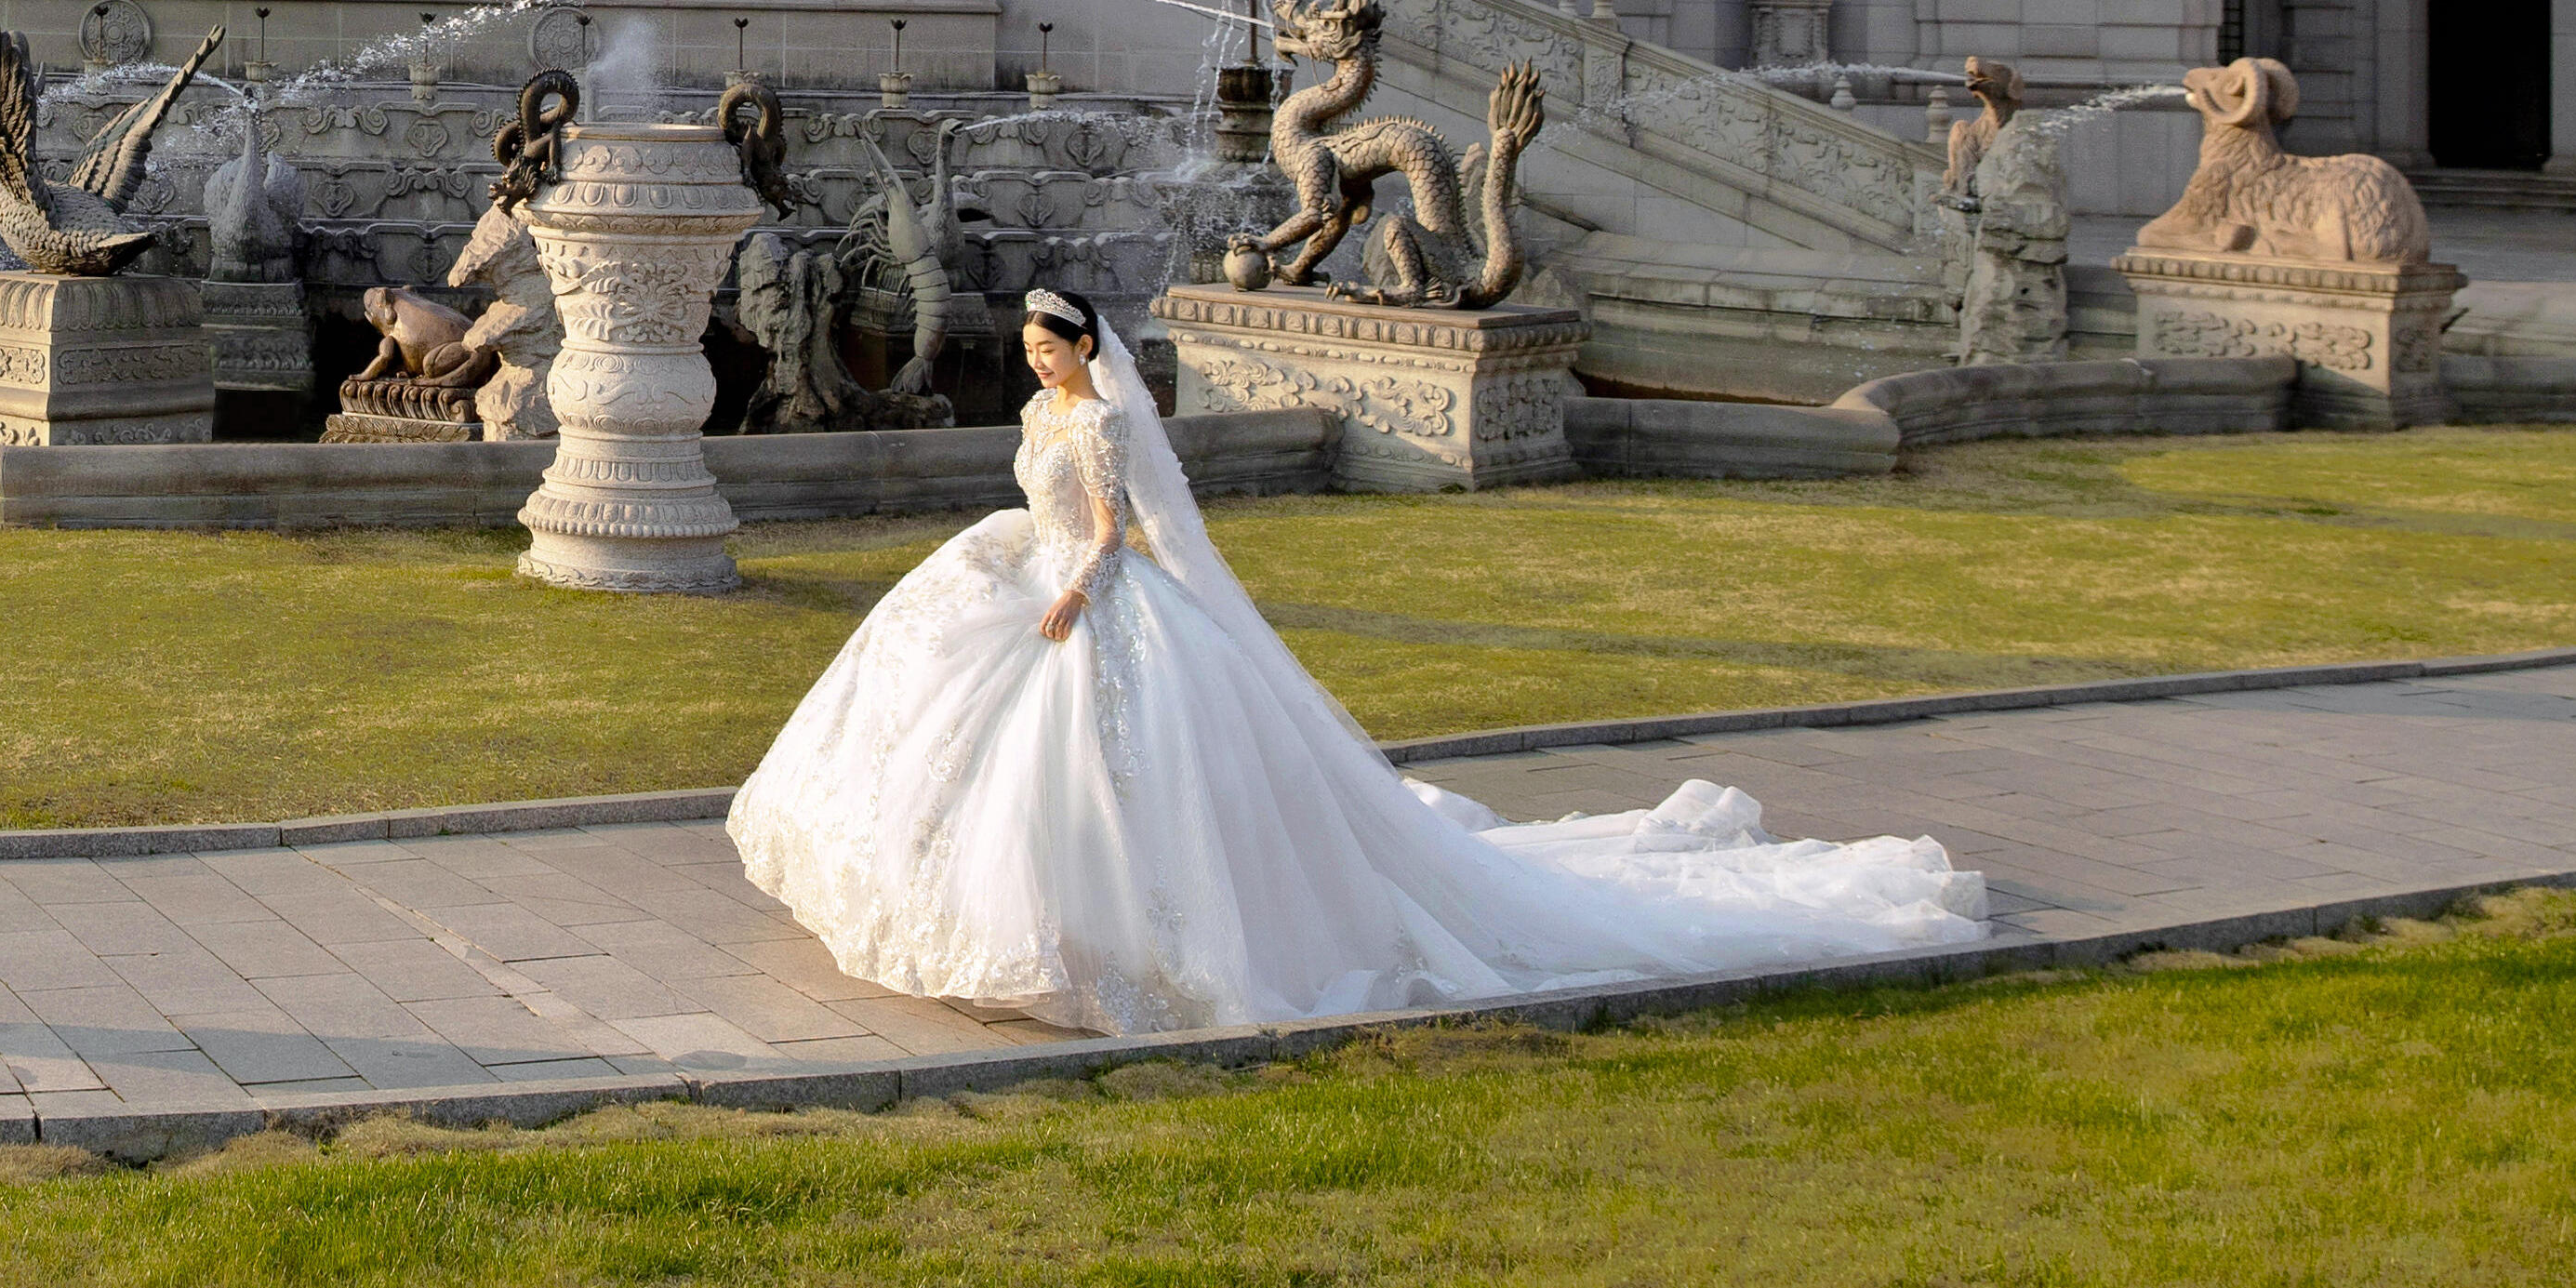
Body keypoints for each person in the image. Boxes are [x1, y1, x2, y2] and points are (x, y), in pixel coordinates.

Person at [728, 290, 1985, 1032]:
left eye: (1053, 349)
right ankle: (1035, 926)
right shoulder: (1037, 413)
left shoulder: (1103, 420)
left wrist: (1071, 590)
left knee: (1107, 771)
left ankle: (1117, 944)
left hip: (1091, 596)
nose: (1040, 361)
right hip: (1031, 576)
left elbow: (1117, 530)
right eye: (1033, 350)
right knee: (961, 738)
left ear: (1085, 353)